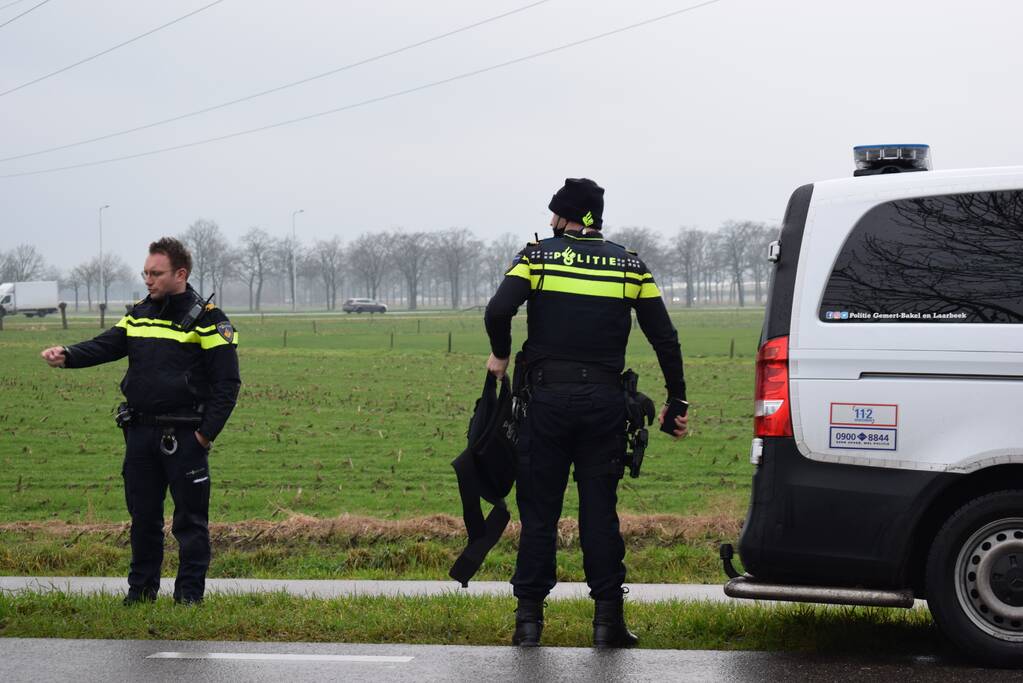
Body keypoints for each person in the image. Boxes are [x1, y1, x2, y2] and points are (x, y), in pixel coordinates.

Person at [484, 178, 688, 648]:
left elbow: (498, 310)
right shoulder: (630, 265)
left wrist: (500, 354)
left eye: (553, 212)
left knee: (539, 515)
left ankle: (529, 625)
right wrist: (677, 400)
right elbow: (665, 337)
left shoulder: (537, 257)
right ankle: (607, 622)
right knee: (600, 514)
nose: (549, 220)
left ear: (564, 216)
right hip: (604, 405)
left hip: (546, 404)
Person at [40, 237, 240, 605]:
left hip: (185, 437)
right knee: (143, 520)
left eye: (156, 273)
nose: (148, 279)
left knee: (189, 524)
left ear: (180, 273)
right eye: (145, 272)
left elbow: (228, 386)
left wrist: (204, 436)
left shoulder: (209, 319)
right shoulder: (138, 313)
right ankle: (141, 594)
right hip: (140, 434)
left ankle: (189, 599)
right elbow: (105, 345)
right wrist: (67, 355)